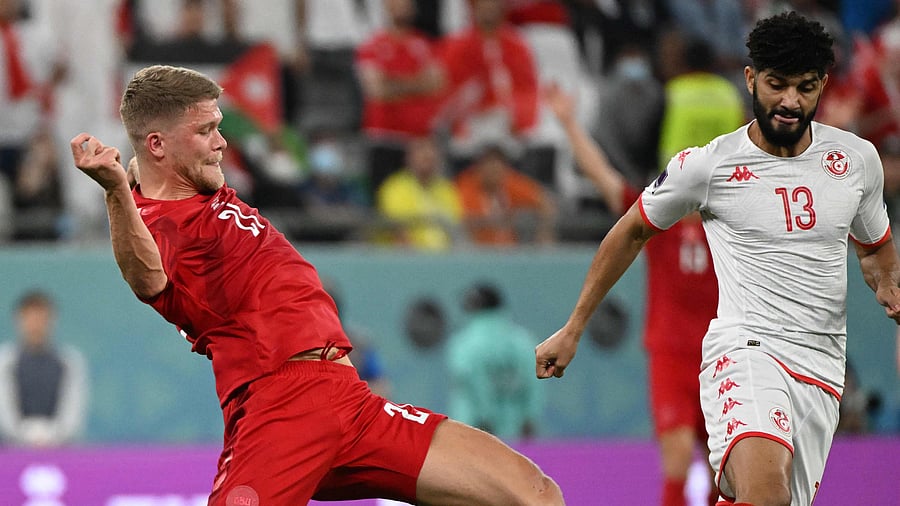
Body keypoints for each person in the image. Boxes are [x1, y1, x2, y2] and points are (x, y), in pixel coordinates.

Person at [70, 64, 564, 505]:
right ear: (158, 144)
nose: (222, 142)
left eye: (218, 128)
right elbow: (147, 278)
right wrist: (117, 191)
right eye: (207, 131)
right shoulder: (155, 222)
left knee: (534, 494)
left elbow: (149, 172)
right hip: (281, 407)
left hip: (350, 400)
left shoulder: (188, 181)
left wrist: (133, 175)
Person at [536, 11, 900, 506]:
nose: (790, 101)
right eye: (777, 85)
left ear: (823, 86)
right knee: (758, 488)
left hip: (821, 367)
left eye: (806, 88)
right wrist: (574, 326)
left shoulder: (857, 160)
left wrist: (887, 284)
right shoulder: (709, 166)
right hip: (744, 350)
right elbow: (629, 230)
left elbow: (875, 246)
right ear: (750, 79)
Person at [546, 69, 732, 504]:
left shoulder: (728, 224)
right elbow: (601, 174)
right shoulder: (656, 221)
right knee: (677, 455)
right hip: (670, 354)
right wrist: (570, 123)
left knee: (723, 468)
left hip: (720, 353)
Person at [446, 282, 542, 440]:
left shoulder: (463, 343)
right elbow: (535, 381)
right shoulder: (523, 340)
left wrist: (485, 416)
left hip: (473, 428)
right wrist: (529, 416)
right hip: (515, 428)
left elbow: (469, 380)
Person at [0, 290, 88, 447]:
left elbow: (73, 412)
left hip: (60, 451)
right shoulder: (6, 361)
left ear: (52, 320)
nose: (36, 325)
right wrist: (26, 435)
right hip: (12, 453)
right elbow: (5, 412)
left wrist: (52, 435)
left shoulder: (69, 361)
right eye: (30, 318)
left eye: (41, 318)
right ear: (19, 320)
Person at [455, 142, 557, 246]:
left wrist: (544, 231)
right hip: (477, 250)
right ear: (478, 167)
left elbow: (546, 203)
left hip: (509, 251)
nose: (493, 170)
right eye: (488, 164)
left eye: (497, 165)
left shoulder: (510, 182)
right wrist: (493, 221)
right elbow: (462, 220)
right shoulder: (466, 186)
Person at [375, 135, 463, 251]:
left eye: (430, 156)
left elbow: (457, 227)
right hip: (407, 258)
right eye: (422, 154)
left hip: (446, 257)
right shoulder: (394, 188)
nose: (427, 157)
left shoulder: (447, 189)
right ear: (408, 158)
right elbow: (399, 231)